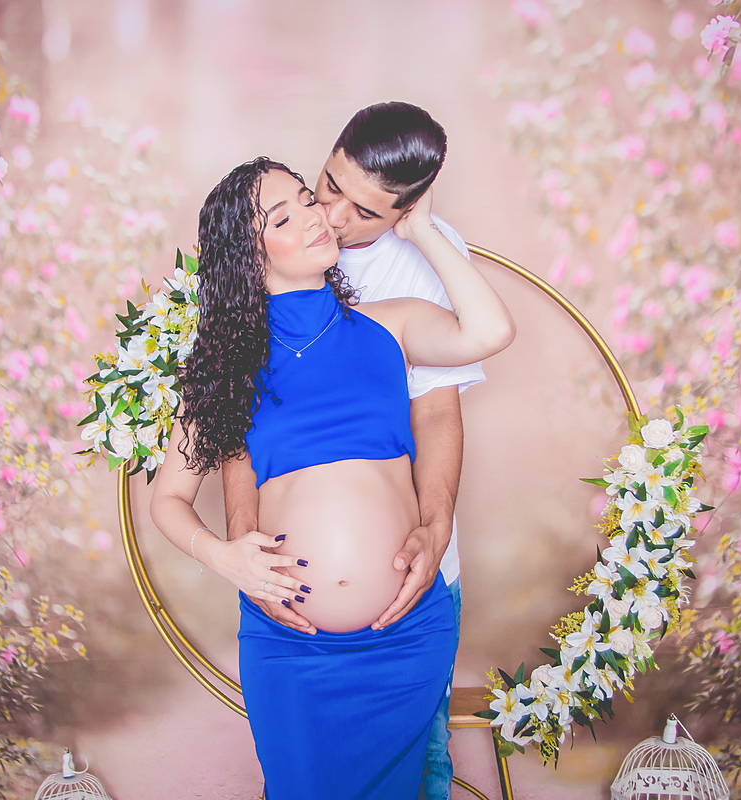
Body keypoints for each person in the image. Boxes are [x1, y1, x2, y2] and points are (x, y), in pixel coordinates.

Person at [149, 156, 513, 799]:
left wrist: (422, 229)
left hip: (406, 635)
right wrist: (224, 558)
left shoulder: (389, 324)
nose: (314, 216)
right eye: (282, 218)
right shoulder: (227, 366)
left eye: (305, 199)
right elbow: (168, 499)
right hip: (291, 650)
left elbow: (492, 330)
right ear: (248, 256)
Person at [220, 102, 481, 799]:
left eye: (364, 211)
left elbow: (438, 414)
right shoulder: (269, 252)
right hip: (293, 623)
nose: (332, 216)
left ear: (406, 209)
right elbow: (241, 431)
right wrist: (241, 536)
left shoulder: (421, 267)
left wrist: (436, 527)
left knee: (423, 770)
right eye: (327, 186)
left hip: (409, 594)